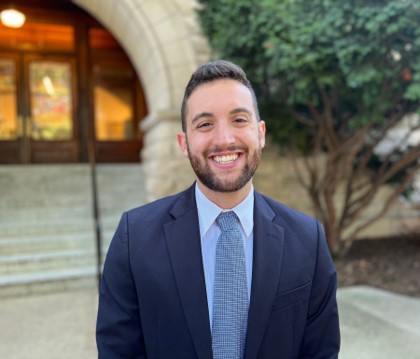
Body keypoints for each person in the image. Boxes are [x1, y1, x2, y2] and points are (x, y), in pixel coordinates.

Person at [96, 60, 340, 358]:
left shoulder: (308, 240)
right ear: (184, 143)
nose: (224, 139)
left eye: (239, 120)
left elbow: (320, 352)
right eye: (205, 124)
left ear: (260, 133)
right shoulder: (134, 238)